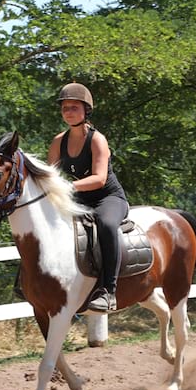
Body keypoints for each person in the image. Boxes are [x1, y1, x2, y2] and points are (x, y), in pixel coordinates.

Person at [48, 83, 129, 312]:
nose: (68, 112)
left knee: (106, 223)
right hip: (79, 200)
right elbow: (51, 176)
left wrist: (65, 186)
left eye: (74, 107)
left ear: (86, 110)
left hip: (108, 198)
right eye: (65, 108)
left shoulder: (97, 140)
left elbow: (99, 179)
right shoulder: (57, 142)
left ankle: (109, 292)